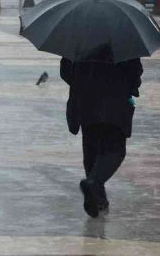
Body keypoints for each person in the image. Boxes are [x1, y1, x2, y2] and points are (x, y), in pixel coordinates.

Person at [60, 45, 143, 218]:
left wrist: (85, 81)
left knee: (91, 148)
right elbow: (134, 74)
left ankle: (98, 198)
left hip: (85, 102)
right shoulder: (123, 38)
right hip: (114, 104)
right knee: (115, 150)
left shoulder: (79, 37)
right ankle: (94, 183)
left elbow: (66, 71)